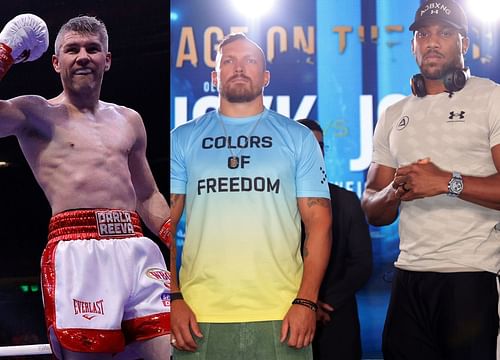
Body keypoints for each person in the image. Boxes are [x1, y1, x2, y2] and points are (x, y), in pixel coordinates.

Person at [0, 14, 172, 360]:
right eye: (72, 49)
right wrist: (4, 53)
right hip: (77, 251)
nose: (83, 56)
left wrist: (181, 244)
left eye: (93, 49)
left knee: (172, 351)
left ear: (106, 60)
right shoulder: (34, 113)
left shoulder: (129, 119)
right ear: (55, 61)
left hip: (137, 249)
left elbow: (147, 194)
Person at [170, 33, 332, 359]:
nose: (239, 68)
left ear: (266, 76)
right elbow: (163, 225)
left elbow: (320, 225)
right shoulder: (183, 138)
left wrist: (305, 301)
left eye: (250, 61)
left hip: (282, 313)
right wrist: (172, 298)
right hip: (199, 315)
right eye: (228, 61)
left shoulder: (298, 138)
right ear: (215, 77)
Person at [361, 1, 500, 359]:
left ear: (464, 44)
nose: (431, 41)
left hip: (472, 275)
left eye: (445, 32)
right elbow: (372, 206)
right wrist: (396, 191)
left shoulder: (491, 98)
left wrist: (446, 182)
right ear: (413, 45)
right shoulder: (394, 113)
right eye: (423, 34)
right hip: (409, 276)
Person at [297, 119, 372, 360]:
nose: (315, 152)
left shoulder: (347, 200)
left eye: (320, 146)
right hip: (286, 317)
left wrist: (321, 303)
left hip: (336, 318)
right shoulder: (270, 204)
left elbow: (362, 264)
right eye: (307, 145)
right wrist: (304, 302)